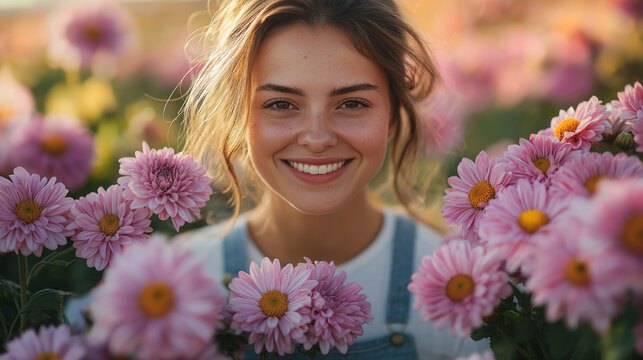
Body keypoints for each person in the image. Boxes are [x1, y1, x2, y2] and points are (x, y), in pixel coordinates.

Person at [179, 0, 489, 358]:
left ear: (393, 113)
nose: (317, 137)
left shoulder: (462, 285)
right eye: (281, 104)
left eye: (352, 103)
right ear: (238, 113)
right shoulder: (176, 286)